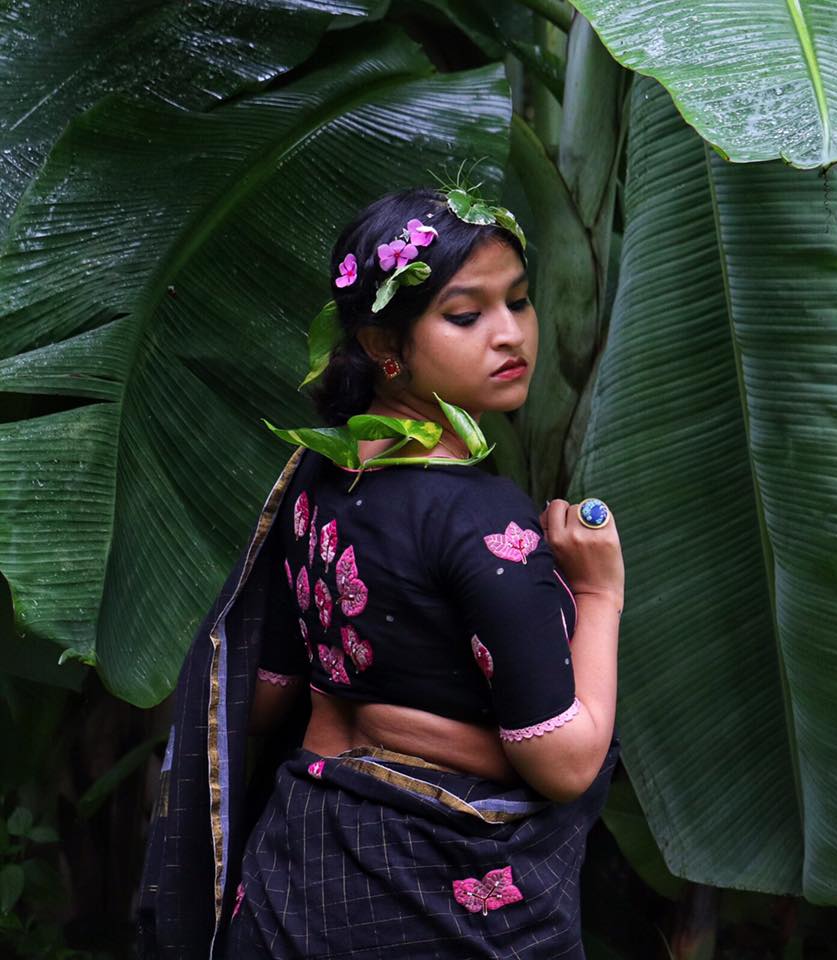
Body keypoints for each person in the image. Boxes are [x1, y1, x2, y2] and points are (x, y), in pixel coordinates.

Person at [137, 184, 625, 958]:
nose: (510, 335)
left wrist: (374, 712)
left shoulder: (316, 478)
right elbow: (563, 763)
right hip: (434, 900)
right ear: (381, 345)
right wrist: (599, 592)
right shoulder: (480, 518)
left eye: (520, 302)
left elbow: (267, 698)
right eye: (466, 315)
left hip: (302, 873)